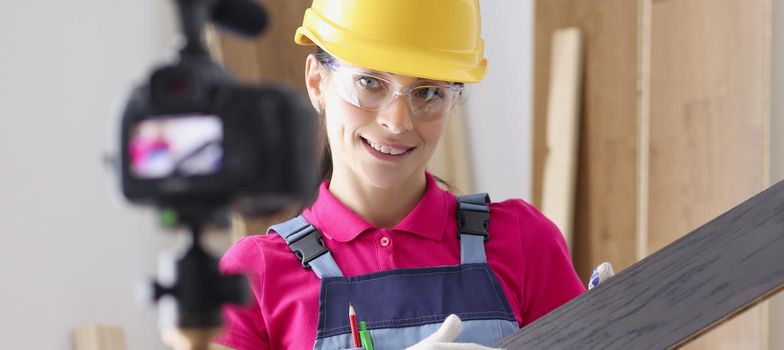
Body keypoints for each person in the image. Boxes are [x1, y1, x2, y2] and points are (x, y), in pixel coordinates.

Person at [216, 0, 585, 349]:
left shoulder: (523, 241)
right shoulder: (254, 275)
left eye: (427, 92)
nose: (397, 122)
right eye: (369, 82)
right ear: (317, 83)